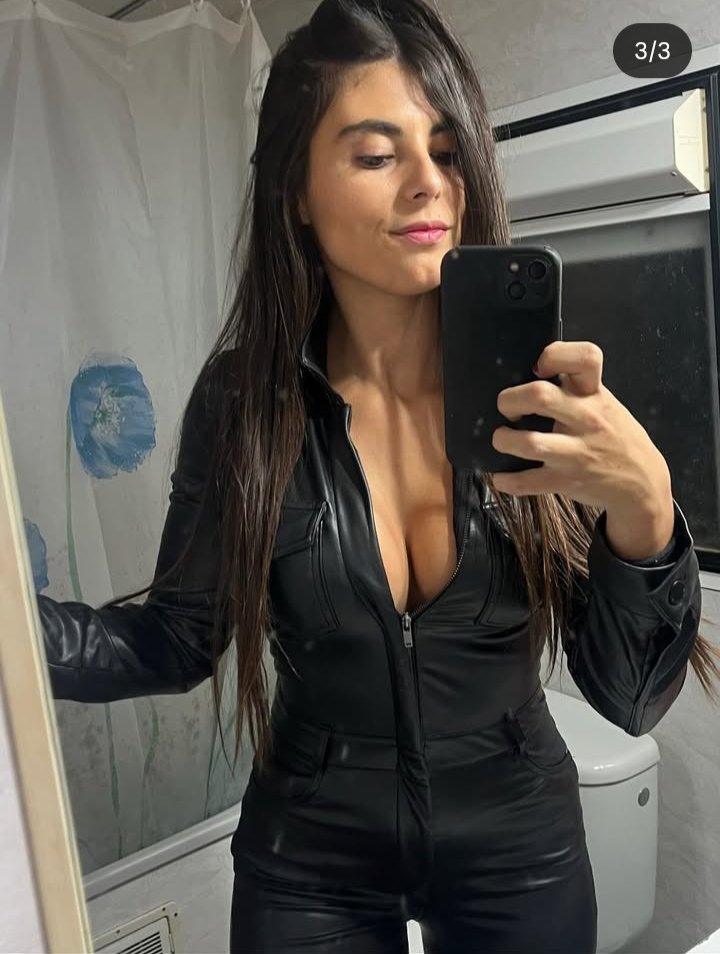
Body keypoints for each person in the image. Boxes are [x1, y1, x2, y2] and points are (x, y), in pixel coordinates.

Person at [37, 1, 718, 951]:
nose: (428, 184)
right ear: (297, 192)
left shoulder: (541, 381)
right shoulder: (244, 399)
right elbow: (176, 639)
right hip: (310, 850)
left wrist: (645, 507)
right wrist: (19, 628)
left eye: (446, 151)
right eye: (374, 154)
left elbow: (629, 701)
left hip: (517, 839)